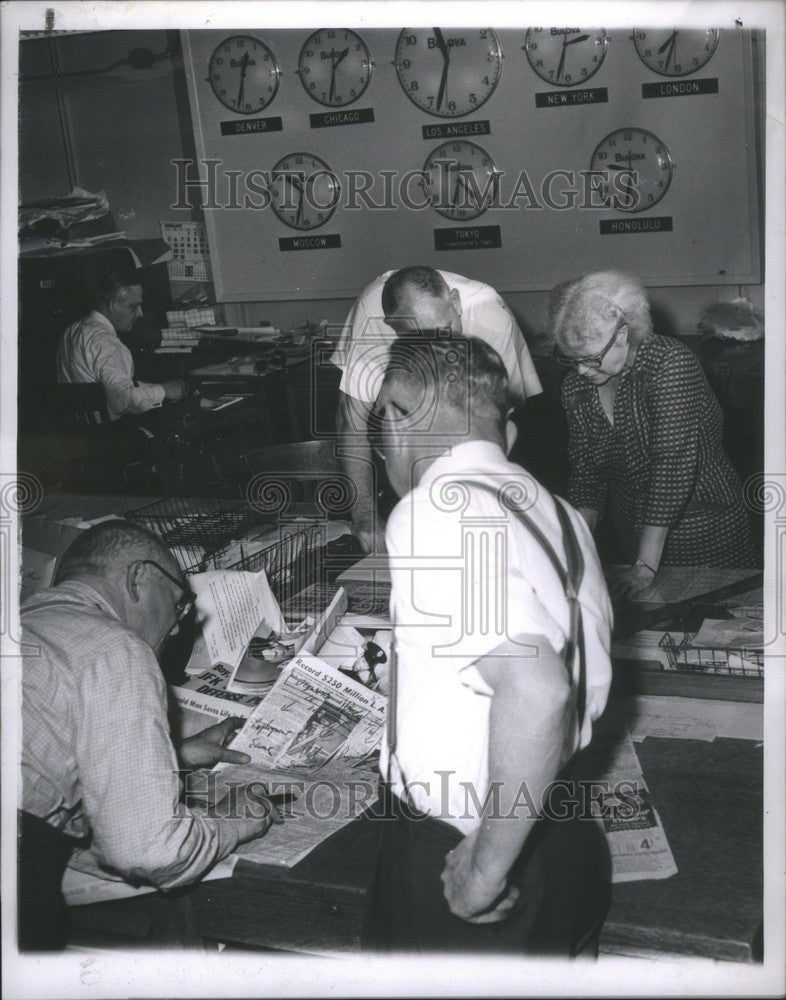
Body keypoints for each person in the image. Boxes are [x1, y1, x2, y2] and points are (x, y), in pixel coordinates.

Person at [364, 336, 613, 954]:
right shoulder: (558, 513)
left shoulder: (435, 511)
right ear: (505, 431)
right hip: (562, 834)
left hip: (476, 845)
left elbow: (536, 686)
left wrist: (481, 875)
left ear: (397, 416)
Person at [20, 520, 276, 950]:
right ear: (138, 577)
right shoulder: (114, 644)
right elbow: (149, 850)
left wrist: (172, 754)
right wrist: (234, 821)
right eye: (178, 603)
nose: (177, 626)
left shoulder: (27, 626)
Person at [551, 271, 757, 599]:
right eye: (571, 360)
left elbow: (670, 471)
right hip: (633, 537)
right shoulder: (577, 385)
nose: (581, 371)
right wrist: (574, 554)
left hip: (702, 533)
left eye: (590, 359)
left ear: (623, 334)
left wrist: (645, 567)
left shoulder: (669, 364)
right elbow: (587, 475)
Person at [332, 266, 542, 553]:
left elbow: (497, 432)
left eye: (444, 330)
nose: (436, 348)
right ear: (392, 326)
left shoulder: (491, 316)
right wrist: (366, 520)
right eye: (419, 339)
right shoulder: (371, 316)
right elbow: (351, 422)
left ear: (455, 304)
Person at [56, 268, 186, 421]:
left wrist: (155, 388)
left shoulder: (72, 330)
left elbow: (106, 386)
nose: (140, 313)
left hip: (80, 432)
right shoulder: (107, 343)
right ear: (112, 305)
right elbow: (123, 402)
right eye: (133, 306)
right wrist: (164, 391)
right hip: (111, 435)